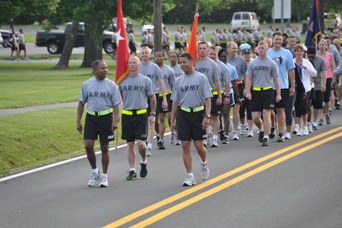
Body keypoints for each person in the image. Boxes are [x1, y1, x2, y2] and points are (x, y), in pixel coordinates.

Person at [76, 60, 121, 187]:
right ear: (95, 71)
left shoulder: (112, 85)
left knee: (104, 148)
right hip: (91, 117)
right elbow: (81, 103)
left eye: (106, 68)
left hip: (106, 118)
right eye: (102, 68)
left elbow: (116, 104)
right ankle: (95, 172)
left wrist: (115, 120)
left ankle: (104, 176)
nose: (106, 70)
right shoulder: (86, 84)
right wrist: (78, 121)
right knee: (88, 145)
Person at [170, 53, 212, 186]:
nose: (182, 65)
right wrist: (172, 120)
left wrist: (207, 116)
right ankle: (190, 175)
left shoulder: (201, 78)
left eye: (184, 62)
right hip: (184, 115)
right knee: (185, 145)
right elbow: (175, 102)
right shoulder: (178, 81)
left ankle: (204, 163)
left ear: (191, 62)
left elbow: (207, 98)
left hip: (198, 114)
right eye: (180, 62)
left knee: (199, 146)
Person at [119, 56, 156, 180]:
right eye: (130, 63)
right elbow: (117, 99)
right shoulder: (122, 81)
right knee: (130, 144)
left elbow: (152, 97)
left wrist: (152, 113)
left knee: (140, 144)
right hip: (127, 115)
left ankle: (144, 161)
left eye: (135, 62)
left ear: (139, 64)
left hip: (141, 115)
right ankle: (132, 170)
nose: (132, 65)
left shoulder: (145, 80)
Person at [244, 41, 281, 146]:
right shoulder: (253, 63)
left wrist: (278, 94)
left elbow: (276, 80)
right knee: (255, 117)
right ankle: (261, 129)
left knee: (266, 114)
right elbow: (249, 78)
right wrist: (248, 91)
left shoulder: (271, 63)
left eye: (263, 48)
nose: (261, 50)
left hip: (267, 90)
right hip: (256, 91)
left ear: (267, 49)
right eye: (259, 48)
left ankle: (266, 136)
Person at [138, 46, 167, 156]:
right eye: (143, 53)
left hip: (153, 97)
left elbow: (161, 83)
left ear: (150, 55)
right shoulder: (137, 67)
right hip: (140, 98)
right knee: (144, 122)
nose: (145, 55)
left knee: (152, 121)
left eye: (146, 53)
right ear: (140, 55)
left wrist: (164, 99)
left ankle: (149, 146)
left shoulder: (155, 67)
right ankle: (145, 140)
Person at [267, 31, 295, 141]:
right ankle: (272, 126)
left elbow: (291, 70)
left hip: (283, 85)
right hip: (269, 86)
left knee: (280, 110)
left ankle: (281, 133)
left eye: (280, 39)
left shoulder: (287, 53)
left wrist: (292, 85)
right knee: (269, 110)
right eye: (276, 39)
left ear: (282, 41)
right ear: (272, 40)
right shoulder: (267, 52)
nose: (278, 41)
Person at [195, 41, 222, 147]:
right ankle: (205, 138)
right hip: (197, 94)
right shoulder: (194, 62)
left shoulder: (213, 64)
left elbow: (217, 81)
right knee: (203, 117)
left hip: (210, 93)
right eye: (200, 48)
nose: (202, 50)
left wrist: (219, 95)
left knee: (214, 116)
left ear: (207, 49)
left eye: (203, 48)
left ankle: (215, 138)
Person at [208, 46, 232, 146]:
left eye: (214, 54)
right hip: (205, 95)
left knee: (216, 116)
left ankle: (215, 137)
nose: (213, 56)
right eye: (211, 54)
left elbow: (227, 82)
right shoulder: (203, 64)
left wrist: (227, 96)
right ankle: (207, 136)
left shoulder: (222, 66)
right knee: (206, 116)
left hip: (217, 94)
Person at [293, 45, 317, 136]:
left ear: (303, 53)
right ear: (294, 52)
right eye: (297, 51)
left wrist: (306, 68)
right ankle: (299, 127)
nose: (299, 53)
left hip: (306, 88)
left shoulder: (307, 62)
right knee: (297, 107)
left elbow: (314, 73)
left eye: (300, 51)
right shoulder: (292, 62)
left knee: (304, 106)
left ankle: (305, 126)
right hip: (296, 88)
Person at [226, 41, 248, 140]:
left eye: (236, 48)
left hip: (238, 85)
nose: (235, 50)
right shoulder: (224, 59)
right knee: (225, 111)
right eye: (233, 48)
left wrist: (246, 88)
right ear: (228, 49)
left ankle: (235, 131)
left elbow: (246, 74)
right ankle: (226, 128)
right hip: (227, 86)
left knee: (236, 109)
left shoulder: (241, 60)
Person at [154, 51, 175, 149]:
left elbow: (172, 85)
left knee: (162, 118)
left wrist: (172, 98)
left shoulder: (169, 70)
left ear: (163, 57)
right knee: (153, 119)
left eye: (160, 56)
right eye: (156, 56)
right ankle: (158, 134)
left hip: (165, 95)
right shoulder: (152, 69)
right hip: (154, 96)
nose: (158, 58)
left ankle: (161, 139)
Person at [218, 48, 238, 143]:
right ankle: (221, 129)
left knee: (226, 113)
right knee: (218, 115)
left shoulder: (231, 68)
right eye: (221, 57)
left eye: (224, 57)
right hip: (218, 93)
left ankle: (225, 134)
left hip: (229, 92)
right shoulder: (216, 67)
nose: (223, 59)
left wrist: (237, 96)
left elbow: (234, 83)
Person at [307, 46, 327, 131]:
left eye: (312, 56)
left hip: (317, 85)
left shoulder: (321, 60)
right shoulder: (305, 60)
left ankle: (314, 122)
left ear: (315, 54)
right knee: (308, 105)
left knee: (317, 105)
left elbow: (324, 72)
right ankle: (308, 122)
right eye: (309, 56)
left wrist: (324, 84)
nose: (311, 57)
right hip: (307, 85)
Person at [317, 39, 335, 125]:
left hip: (328, 77)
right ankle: (320, 117)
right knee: (319, 98)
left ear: (326, 46)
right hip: (318, 79)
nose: (321, 47)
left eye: (323, 45)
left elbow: (332, 67)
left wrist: (333, 79)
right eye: (320, 45)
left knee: (326, 98)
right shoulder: (316, 55)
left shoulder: (330, 55)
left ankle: (327, 113)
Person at [169, 51, 183, 145]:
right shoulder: (168, 69)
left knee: (178, 115)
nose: (173, 58)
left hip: (180, 95)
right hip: (170, 95)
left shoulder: (180, 68)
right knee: (170, 115)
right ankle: (172, 131)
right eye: (171, 57)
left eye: (174, 57)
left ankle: (177, 133)